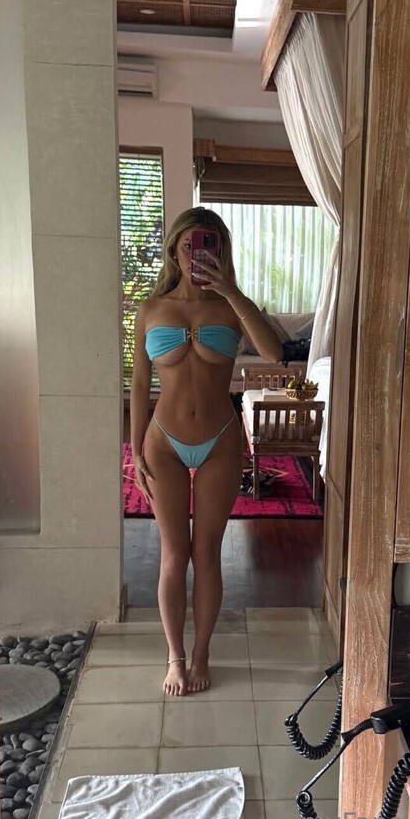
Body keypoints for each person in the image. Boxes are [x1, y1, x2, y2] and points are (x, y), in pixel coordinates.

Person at [130, 207, 282, 696]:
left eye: (211, 244)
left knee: (207, 553)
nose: (199, 253)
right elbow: (139, 384)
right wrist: (134, 448)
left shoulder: (230, 307)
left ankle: (201, 654)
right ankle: (174, 657)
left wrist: (231, 291)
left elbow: (274, 353)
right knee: (174, 555)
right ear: (175, 251)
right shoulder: (151, 309)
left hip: (220, 442)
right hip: (164, 443)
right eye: (191, 244)